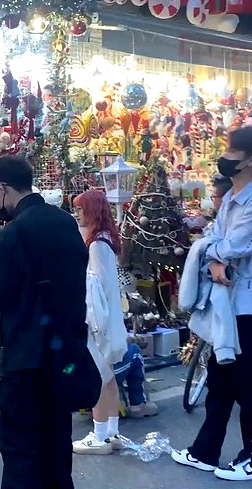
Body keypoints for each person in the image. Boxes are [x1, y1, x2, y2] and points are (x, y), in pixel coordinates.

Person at [0, 155, 90, 489]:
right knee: (57, 453)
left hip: (25, 363)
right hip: (65, 358)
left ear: (2, 189)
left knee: (23, 457)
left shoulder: (12, 234)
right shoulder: (65, 223)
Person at [171, 125, 252, 482]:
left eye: (233, 152)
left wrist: (213, 254)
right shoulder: (232, 197)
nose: (226, 157)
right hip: (228, 303)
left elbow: (233, 246)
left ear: (251, 160)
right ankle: (205, 451)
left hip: (248, 303)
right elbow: (215, 238)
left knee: (248, 386)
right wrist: (214, 255)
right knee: (220, 380)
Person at [71, 190, 143, 456]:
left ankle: (100, 435)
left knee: (99, 378)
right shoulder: (103, 241)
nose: (77, 214)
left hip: (96, 322)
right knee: (109, 377)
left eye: (80, 209)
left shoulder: (96, 245)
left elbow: (95, 287)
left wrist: (91, 322)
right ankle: (111, 432)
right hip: (107, 319)